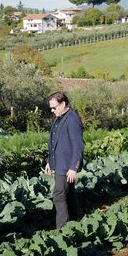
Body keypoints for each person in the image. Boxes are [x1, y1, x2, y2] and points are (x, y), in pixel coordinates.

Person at [45, 91, 84, 228]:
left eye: (54, 107)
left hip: (67, 166)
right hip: (59, 163)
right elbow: (53, 141)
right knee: (69, 194)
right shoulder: (59, 117)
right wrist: (49, 161)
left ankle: (62, 229)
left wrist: (74, 167)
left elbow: (78, 146)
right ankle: (74, 222)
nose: (52, 110)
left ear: (63, 104)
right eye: (51, 108)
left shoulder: (72, 119)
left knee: (58, 195)